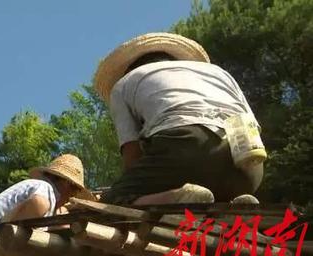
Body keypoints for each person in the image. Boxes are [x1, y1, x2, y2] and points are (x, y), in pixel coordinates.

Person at [93, 32, 264, 205]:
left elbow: (132, 154)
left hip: (188, 151)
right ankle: (237, 199)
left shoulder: (123, 84)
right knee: (212, 177)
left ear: (130, 69)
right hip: (248, 167)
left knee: (114, 199)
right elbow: (252, 126)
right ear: (174, 60)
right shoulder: (219, 73)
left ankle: (178, 197)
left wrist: (130, 185)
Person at [0, 154, 93, 227]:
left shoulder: (42, 190)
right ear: (66, 183)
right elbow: (38, 203)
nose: (71, 197)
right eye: (74, 190)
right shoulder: (45, 188)